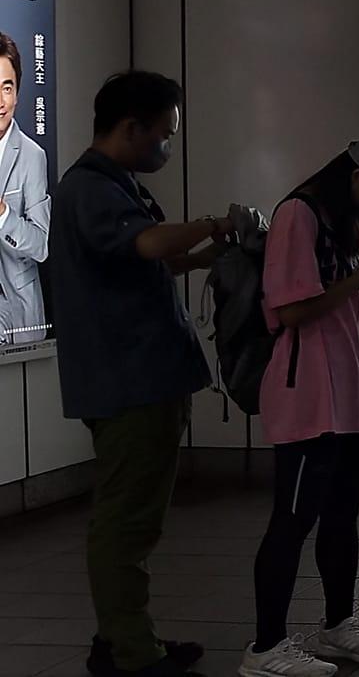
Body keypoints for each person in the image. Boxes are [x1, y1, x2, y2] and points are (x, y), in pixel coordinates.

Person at [49, 71, 228, 677]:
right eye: (164, 135)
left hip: (146, 378)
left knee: (135, 519)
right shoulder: (90, 189)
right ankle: (132, 653)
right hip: (129, 382)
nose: (167, 146)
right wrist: (214, 224)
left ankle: (121, 638)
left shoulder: (115, 185)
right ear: (131, 128)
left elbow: (146, 260)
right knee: (126, 523)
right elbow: (149, 246)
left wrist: (203, 257)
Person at [239, 137, 359, 677]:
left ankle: (338, 626)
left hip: (348, 402)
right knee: (292, 520)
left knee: (341, 517)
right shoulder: (298, 215)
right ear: (356, 176)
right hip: (310, 400)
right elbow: (292, 311)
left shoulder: (341, 222)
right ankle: (265, 647)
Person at [0, 31, 51, 343]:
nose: (0, 102)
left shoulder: (32, 156)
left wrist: (3, 214)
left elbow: (41, 245)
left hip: (18, 311)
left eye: (6, 88)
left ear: (17, 92)